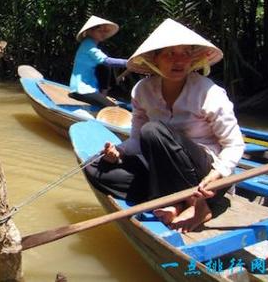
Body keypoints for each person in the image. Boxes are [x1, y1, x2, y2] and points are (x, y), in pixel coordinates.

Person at [85, 18, 245, 233]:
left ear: (192, 60)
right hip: (163, 172)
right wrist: (118, 153)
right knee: (94, 166)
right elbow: (137, 141)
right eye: (169, 53)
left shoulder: (209, 93)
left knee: (152, 131)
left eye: (185, 53)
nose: (178, 60)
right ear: (155, 59)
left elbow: (234, 145)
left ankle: (197, 206)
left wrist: (216, 175)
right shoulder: (143, 90)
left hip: (205, 175)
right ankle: (171, 200)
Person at [69, 15, 128, 107]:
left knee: (104, 67)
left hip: (88, 89)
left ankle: (102, 95)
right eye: (99, 31)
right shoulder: (88, 45)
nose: (103, 34)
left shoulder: (91, 45)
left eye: (104, 31)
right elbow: (107, 61)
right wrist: (128, 63)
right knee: (113, 109)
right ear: (89, 31)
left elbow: (105, 65)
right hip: (82, 90)